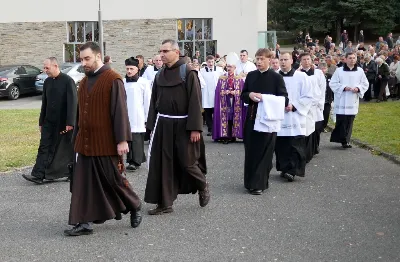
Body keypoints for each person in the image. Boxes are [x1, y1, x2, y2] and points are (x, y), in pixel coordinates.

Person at [65, 42, 142, 236]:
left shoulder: (113, 79)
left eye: (87, 58)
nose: (83, 63)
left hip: (106, 143)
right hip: (85, 142)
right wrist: (76, 139)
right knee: (83, 184)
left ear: (98, 56)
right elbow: (79, 115)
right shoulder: (83, 82)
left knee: (114, 180)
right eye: (81, 59)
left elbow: (120, 112)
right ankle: (84, 222)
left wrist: (122, 140)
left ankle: (134, 205)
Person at [145, 39, 210, 215]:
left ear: (176, 51)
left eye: (165, 51)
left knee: (187, 161)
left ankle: (202, 184)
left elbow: (195, 101)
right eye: (161, 51)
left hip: (184, 124)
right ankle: (165, 203)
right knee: (163, 164)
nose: (162, 54)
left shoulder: (188, 72)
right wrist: (150, 127)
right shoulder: (159, 75)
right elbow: (153, 103)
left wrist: (195, 128)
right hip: (164, 124)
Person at [22, 57, 77, 184]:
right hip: (48, 121)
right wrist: (41, 122)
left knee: (64, 149)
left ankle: (71, 172)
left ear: (55, 66)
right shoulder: (47, 82)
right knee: (44, 146)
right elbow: (44, 103)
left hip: (63, 122)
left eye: (47, 68)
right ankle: (38, 174)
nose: (45, 70)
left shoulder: (68, 81)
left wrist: (70, 122)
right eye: (44, 67)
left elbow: (73, 102)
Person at [241, 48, 288, 195]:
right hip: (252, 117)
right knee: (250, 151)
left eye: (262, 59)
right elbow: (243, 95)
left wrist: (265, 98)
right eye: (257, 59)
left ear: (269, 59)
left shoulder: (276, 78)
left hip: (268, 121)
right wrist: (250, 95)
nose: (259, 62)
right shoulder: (251, 75)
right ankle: (249, 182)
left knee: (264, 152)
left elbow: (284, 99)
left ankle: (259, 183)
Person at [275, 53, 313, 182]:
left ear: (292, 60)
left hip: (296, 116)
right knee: (281, 145)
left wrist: (294, 106)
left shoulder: (301, 77)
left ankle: (293, 170)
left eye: (286, 59)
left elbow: (308, 95)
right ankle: (284, 168)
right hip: (279, 116)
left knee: (295, 145)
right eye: (281, 60)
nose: (283, 62)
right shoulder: (274, 76)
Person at [330, 52, 369, 148]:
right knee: (341, 121)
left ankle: (346, 141)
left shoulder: (360, 71)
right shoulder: (339, 71)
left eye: (354, 58)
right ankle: (341, 139)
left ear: (356, 59)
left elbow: (365, 84)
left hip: (352, 100)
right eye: (350, 58)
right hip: (341, 99)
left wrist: (358, 88)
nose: (352, 60)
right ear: (346, 59)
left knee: (350, 121)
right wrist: (344, 87)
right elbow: (332, 83)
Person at [124, 57, 151, 171]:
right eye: (127, 69)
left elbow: (147, 101)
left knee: (136, 138)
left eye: (131, 69)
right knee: (128, 138)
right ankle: (132, 159)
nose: (129, 71)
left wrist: (147, 117)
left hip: (138, 114)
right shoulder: (122, 81)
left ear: (137, 70)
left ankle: (135, 161)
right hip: (125, 114)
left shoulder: (143, 83)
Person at [212, 52, 245, 144]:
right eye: (228, 66)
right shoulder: (222, 78)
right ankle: (226, 135)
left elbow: (242, 91)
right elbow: (218, 91)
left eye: (231, 67)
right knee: (227, 117)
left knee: (234, 117)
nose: (229, 68)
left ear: (235, 68)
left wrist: (236, 92)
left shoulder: (239, 78)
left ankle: (234, 135)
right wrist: (224, 92)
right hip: (225, 101)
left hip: (235, 101)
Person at [200, 55, 224, 136]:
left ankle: (217, 128)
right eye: (209, 62)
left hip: (216, 94)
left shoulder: (219, 70)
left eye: (212, 62)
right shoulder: (202, 71)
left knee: (216, 112)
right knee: (208, 113)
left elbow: (224, 79)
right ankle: (210, 129)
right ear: (206, 62)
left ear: (214, 62)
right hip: (206, 94)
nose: (210, 63)